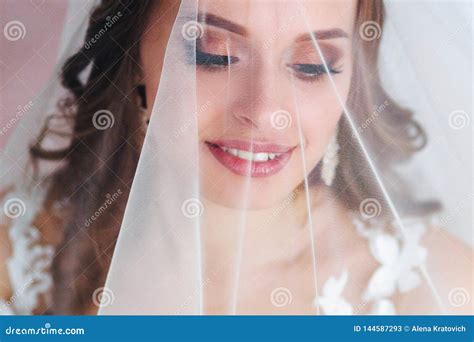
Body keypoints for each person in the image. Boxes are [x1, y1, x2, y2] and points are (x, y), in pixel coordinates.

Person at [0, 0, 472, 315]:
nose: (264, 112)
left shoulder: (438, 293)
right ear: (134, 52)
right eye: (213, 54)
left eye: (313, 66)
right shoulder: (16, 258)